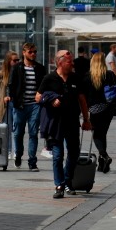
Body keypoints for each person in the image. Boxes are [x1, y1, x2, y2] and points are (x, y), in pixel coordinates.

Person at [38, 50, 91, 198]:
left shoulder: (75, 78)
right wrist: (51, 99)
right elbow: (38, 97)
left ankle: (68, 181)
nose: (72, 63)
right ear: (60, 62)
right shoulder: (49, 78)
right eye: (69, 61)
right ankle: (59, 185)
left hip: (72, 121)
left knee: (73, 153)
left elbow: (82, 100)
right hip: (55, 123)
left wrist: (86, 120)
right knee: (57, 155)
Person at [8, 42, 45, 171]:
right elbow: (11, 85)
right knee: (18, 133)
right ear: (24, 52)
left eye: (35, 52)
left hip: (35, 105)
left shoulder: (40, 68)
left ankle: (32, 161)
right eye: (30, 52)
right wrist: (11, 98)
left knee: (33, 133)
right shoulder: (17, 68)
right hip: (20, 105)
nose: (33, 54)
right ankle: (18, 155)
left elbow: (43, 86)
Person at [82, 52, 116, 173]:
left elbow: (83, 95)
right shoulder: (109, 75)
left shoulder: (88, 76)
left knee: (97, 135)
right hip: (109, 109)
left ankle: (105, 156)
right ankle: (102, 164)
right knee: (102, 134)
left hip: (95, 109)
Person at [0, 50, 18, 123]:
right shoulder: (1, 74)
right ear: (8, 62)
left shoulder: (19, 73)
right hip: (6, 105)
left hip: (16, 104)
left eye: (18, 60)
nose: (17, 62)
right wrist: (3, 96)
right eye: (14, 60)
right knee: (6, 127)